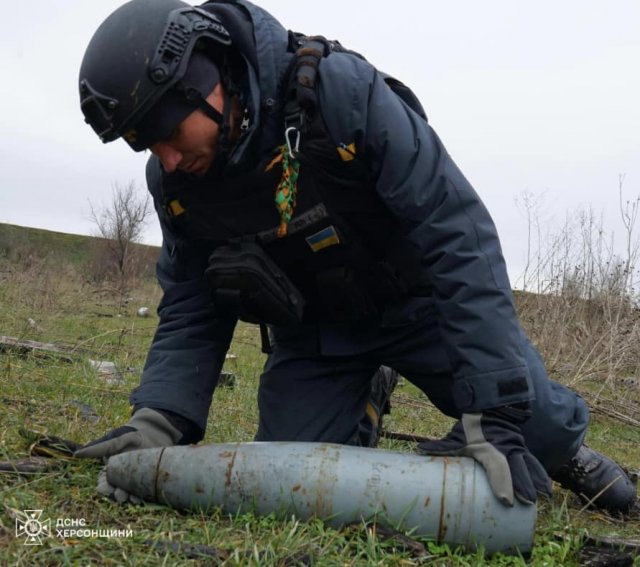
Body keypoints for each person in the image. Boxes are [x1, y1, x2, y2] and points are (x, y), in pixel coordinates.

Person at [75, 0, 637, 514]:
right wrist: (160, 417)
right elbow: (191, 299)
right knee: (293, 477)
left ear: (209, 84)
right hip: (318, 335)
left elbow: (456, 233)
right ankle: (367, 391)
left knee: (525, 426)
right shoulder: (178, 183)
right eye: (147, 146)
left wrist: (496, 409)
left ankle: (567, 452)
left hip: (423, 309)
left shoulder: (340, 94)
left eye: (171, 133)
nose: (167, 159)